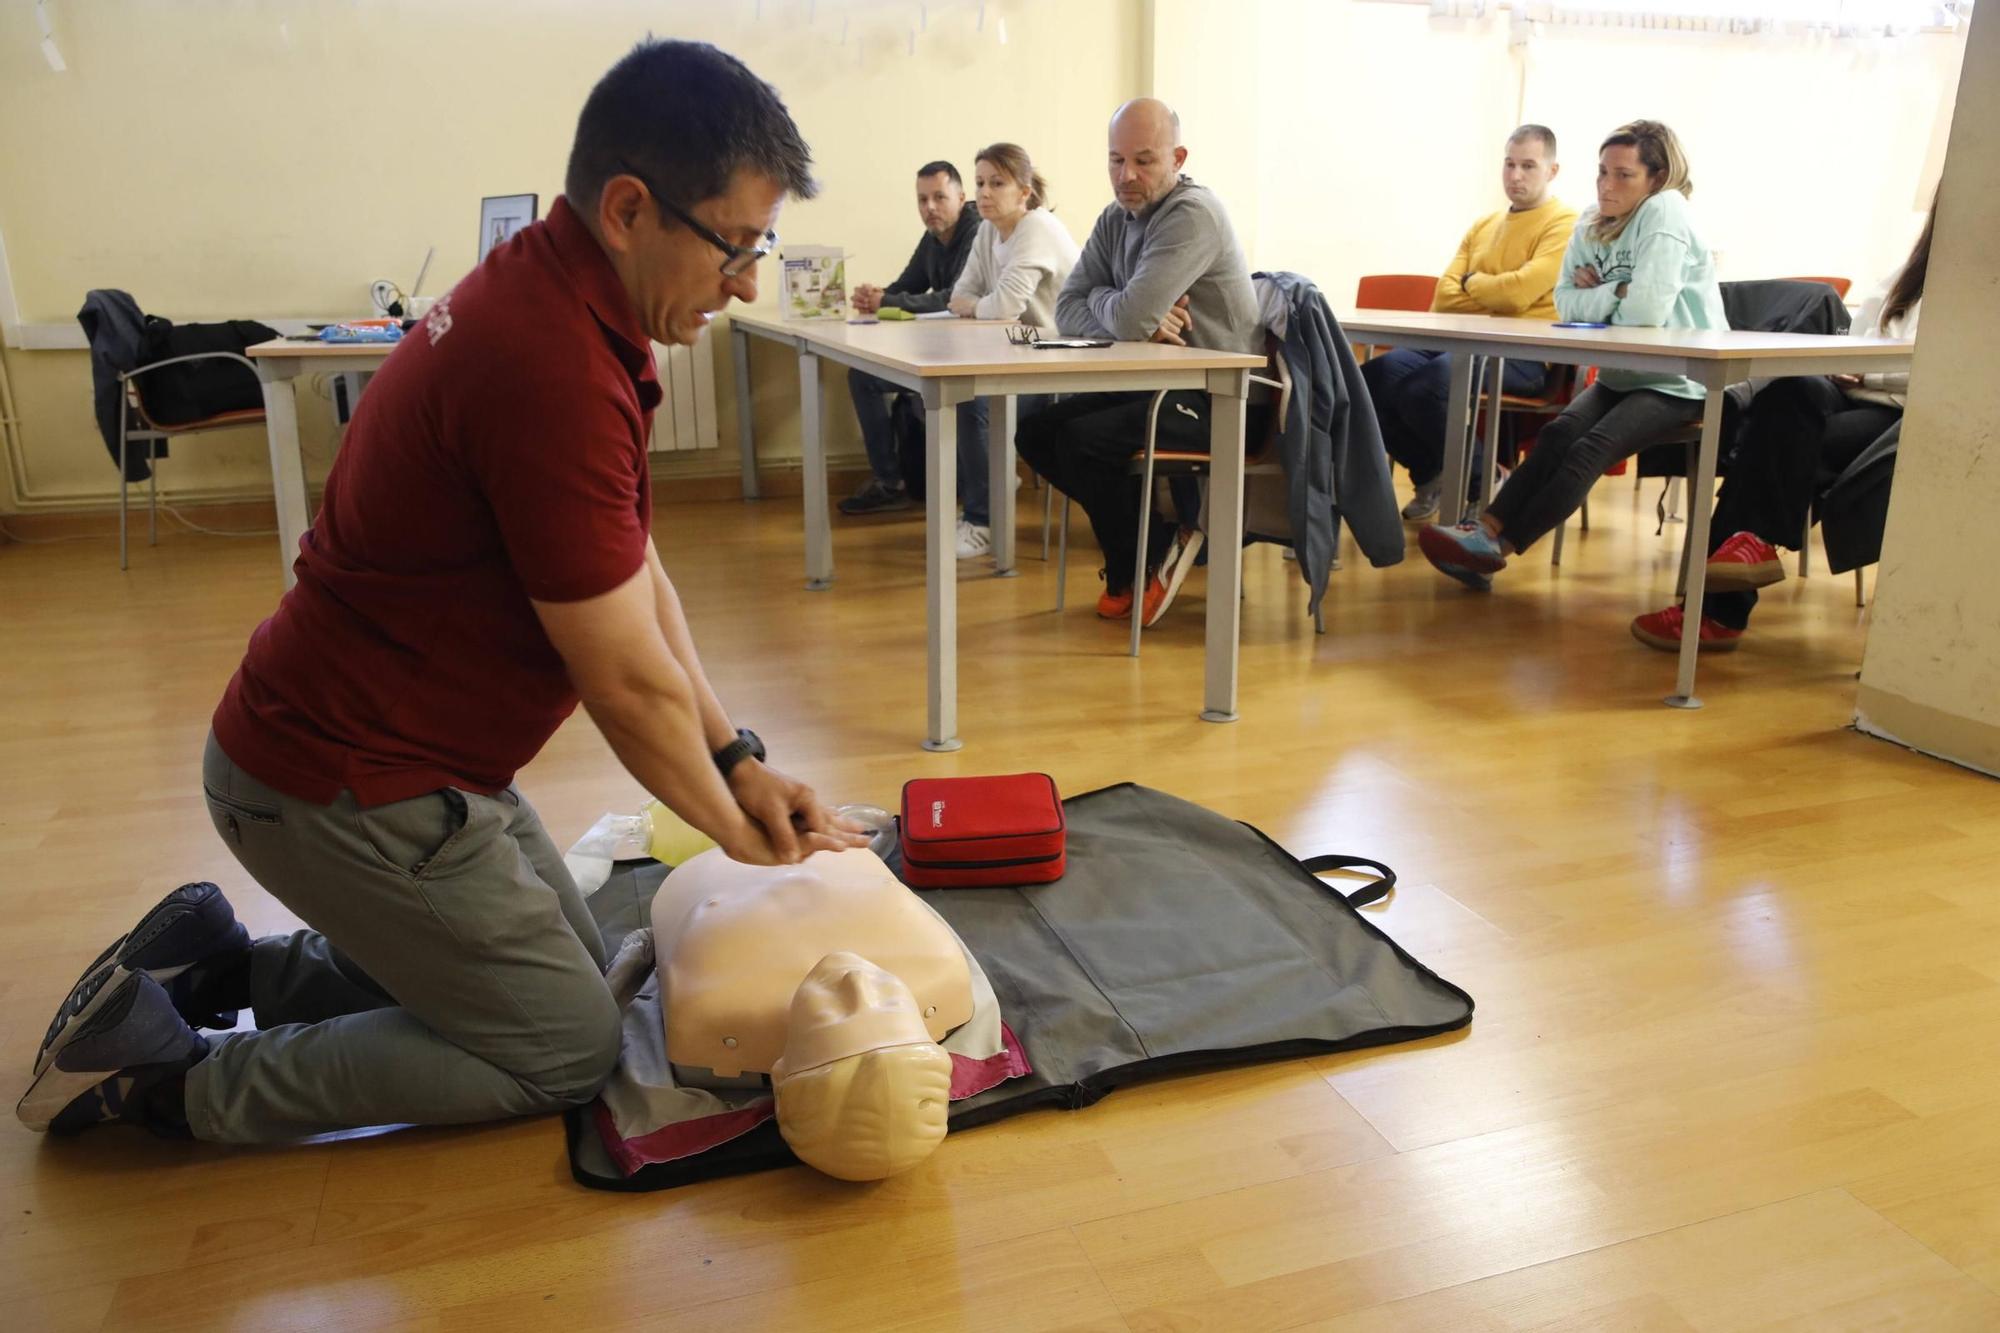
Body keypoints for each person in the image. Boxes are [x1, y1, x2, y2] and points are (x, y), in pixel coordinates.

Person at [18, 39, 867, 1145]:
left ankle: (220, 965)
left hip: (399, 762)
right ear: (627, 208)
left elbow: (637, 576)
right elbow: (619, 680)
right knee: (563, 1042)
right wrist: (735, 835)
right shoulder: (549, 362)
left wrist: (735, 758)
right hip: (344, 783)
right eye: (735, 246)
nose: (748, 280)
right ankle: (158, 1083)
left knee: (569, 968)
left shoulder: (575, 304)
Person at [1417, 120, 1726, 592]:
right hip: (1627, 374)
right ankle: (1485, 530)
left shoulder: (1666, 210)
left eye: (1624, 175)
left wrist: (1601, 294)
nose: (1607, 184)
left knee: (1590, 448)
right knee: (1559, 433)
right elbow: (1567, 303)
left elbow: (1646, 312)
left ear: (1657, 178)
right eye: (1602, 172)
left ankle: (1497, 549)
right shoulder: (1590, 221)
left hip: (1683, 378)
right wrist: (1619, 289)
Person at [1631, 197, 1933, 652]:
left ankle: (1715, 607)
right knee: (1790, 392)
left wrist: (1869, 371)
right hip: (1848, 390)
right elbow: (1857, 335)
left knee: (1775, 448)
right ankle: (1750, 548)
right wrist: (1849, 362)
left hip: (1898, 412)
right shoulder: (1909, 273)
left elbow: (1943, 372)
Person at [1015, 98, 1264, 628]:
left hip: (1218, 397)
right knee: (1035, 431)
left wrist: (1122, 307)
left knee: (1084, 442)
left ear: (1177, 157)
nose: (1126, 175)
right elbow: (1067, 308)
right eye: (1115, 160)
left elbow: (1125, 320)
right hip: (1156, 385)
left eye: (1144, 160)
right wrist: (1128, 305)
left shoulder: (1192, 215)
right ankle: (1149, 546)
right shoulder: (1116, 217)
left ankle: (1131, 565)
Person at [1362, 125, 1578, 522]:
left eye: (1528, 166)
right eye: (1509, 164)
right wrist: (1493, 294)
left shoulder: (1564, 224)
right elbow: (1444, 298)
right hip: (1458, 337)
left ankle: (1487, 479)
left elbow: (1516, 295)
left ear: (1552, 170)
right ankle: (1430, 474)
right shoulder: (1484, 225)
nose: (1515, 175)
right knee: (1371, 379)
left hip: (1524, 352)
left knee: (1428, 387)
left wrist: (1473, 285)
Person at [942, 142, 1081, 558]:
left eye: (997, 183)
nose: (984, 193)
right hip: (1023, 358)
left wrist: (978, 308)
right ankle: (988, 495)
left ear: (1024, 192)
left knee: (975, 406)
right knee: (945, 401)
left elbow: (1003, 305)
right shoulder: (988, 230)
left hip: (1066, 366)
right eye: (981, 182)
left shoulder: (1037, 228)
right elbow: (960, 294)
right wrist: (978, 307)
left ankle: (984, 520)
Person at [838, 161, 983, 518]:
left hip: (972, 357)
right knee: (862, 376)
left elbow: (952, 297)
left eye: (938, 197)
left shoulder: (979, 232)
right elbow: (909, 286)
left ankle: (970, 485)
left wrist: (886, 301)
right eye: (922, 200)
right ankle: (890, 482)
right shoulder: (934, 236)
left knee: (890, 383)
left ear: (962, 198)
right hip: (940, 351)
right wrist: (876, 294)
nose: (929, 208)